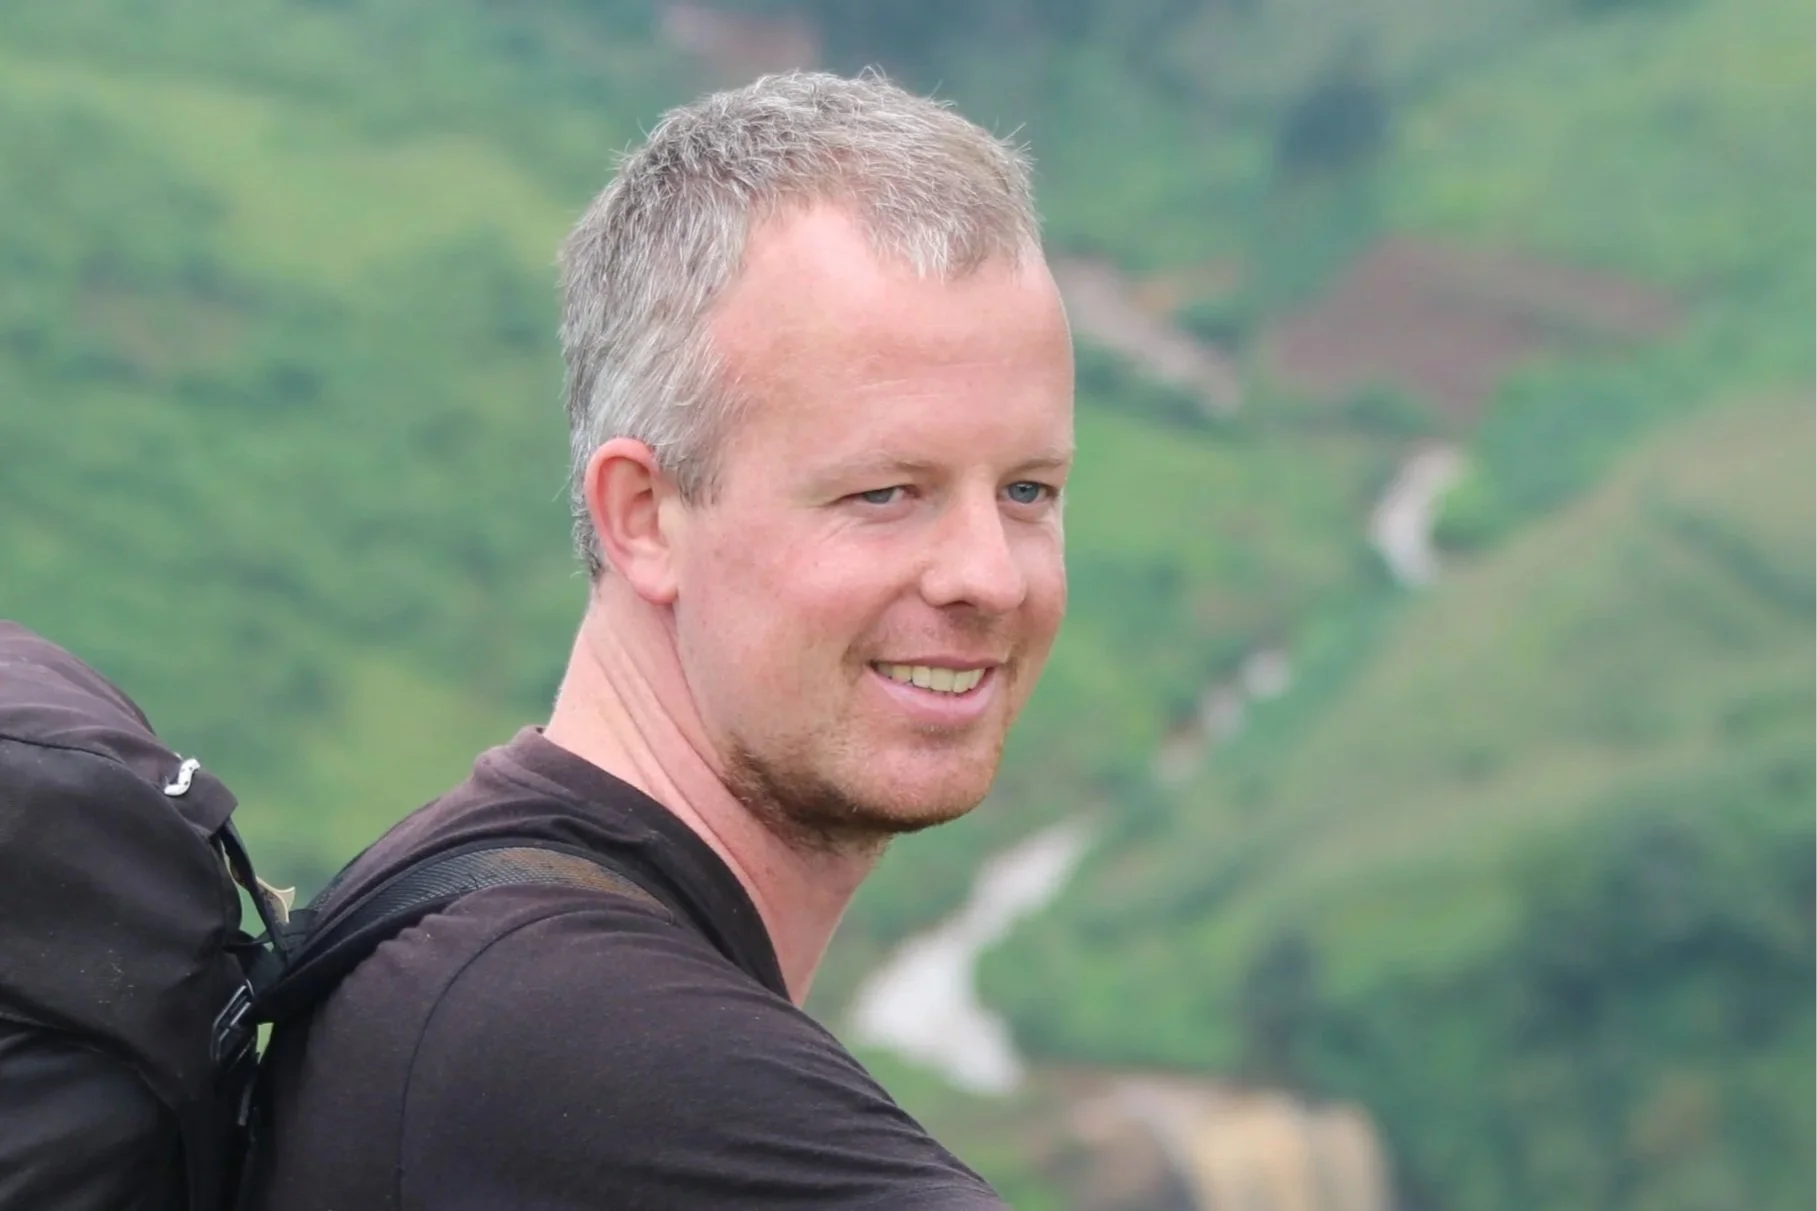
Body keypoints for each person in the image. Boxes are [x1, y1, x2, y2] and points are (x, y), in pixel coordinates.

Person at [244, 68, 1074, 1210]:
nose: (987, 574)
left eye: (1028, 490)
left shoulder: (472, 922)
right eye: (885, 492)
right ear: (643, 516)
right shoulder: (599, 1058)